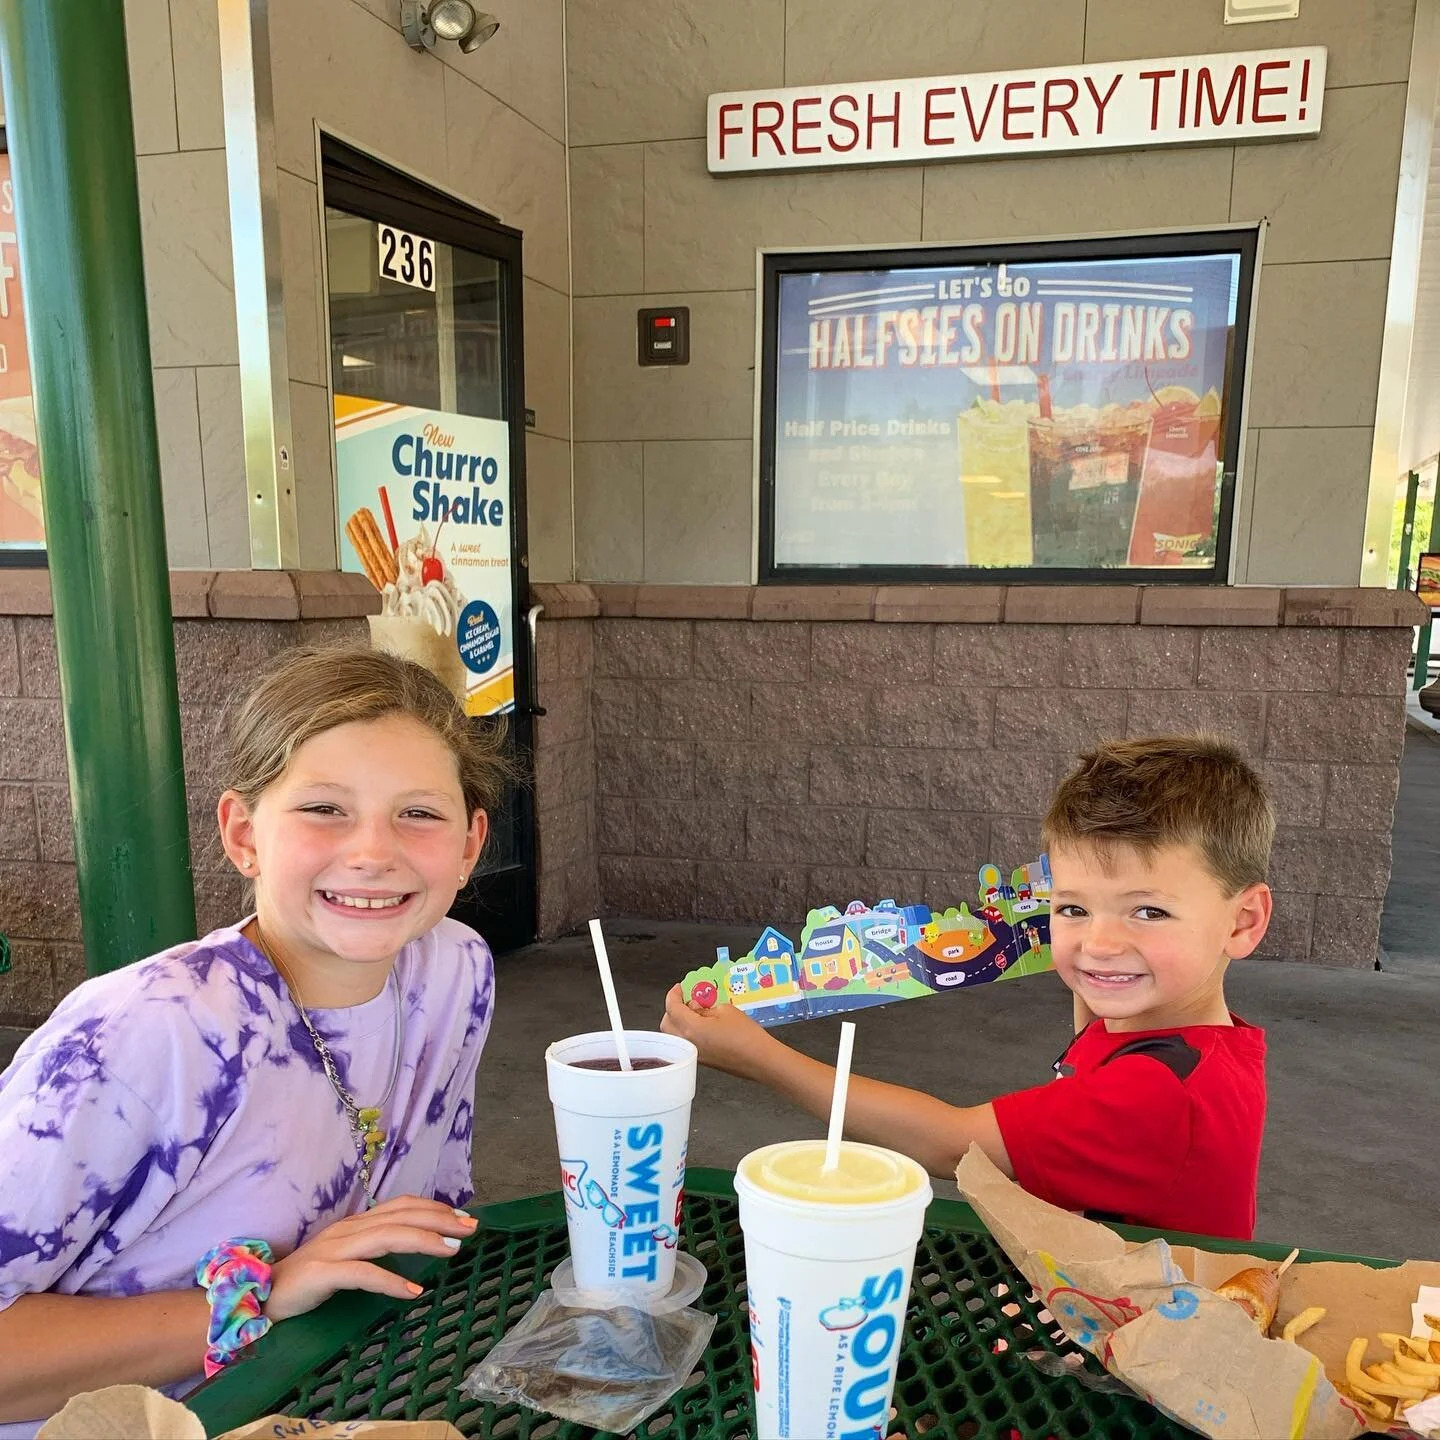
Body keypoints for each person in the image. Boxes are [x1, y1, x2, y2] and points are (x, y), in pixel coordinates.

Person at [0, 646, 508, 1434]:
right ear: (244, 835)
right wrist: (255, 1297)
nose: (374, 852)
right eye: (324, 809)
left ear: (470, 844)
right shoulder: (143, 1034)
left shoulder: (455, 972)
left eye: (418, 812)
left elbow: (422, 1228)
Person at [663, 735, 1274, 1241]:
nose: (1101, 944)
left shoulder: (1159, 1095)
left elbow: (956, 1147)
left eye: (1147, 913)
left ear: (1242, 922)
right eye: (1072, 908)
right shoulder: (1179, 1040)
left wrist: (758, 1057)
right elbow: (1096, 1025)